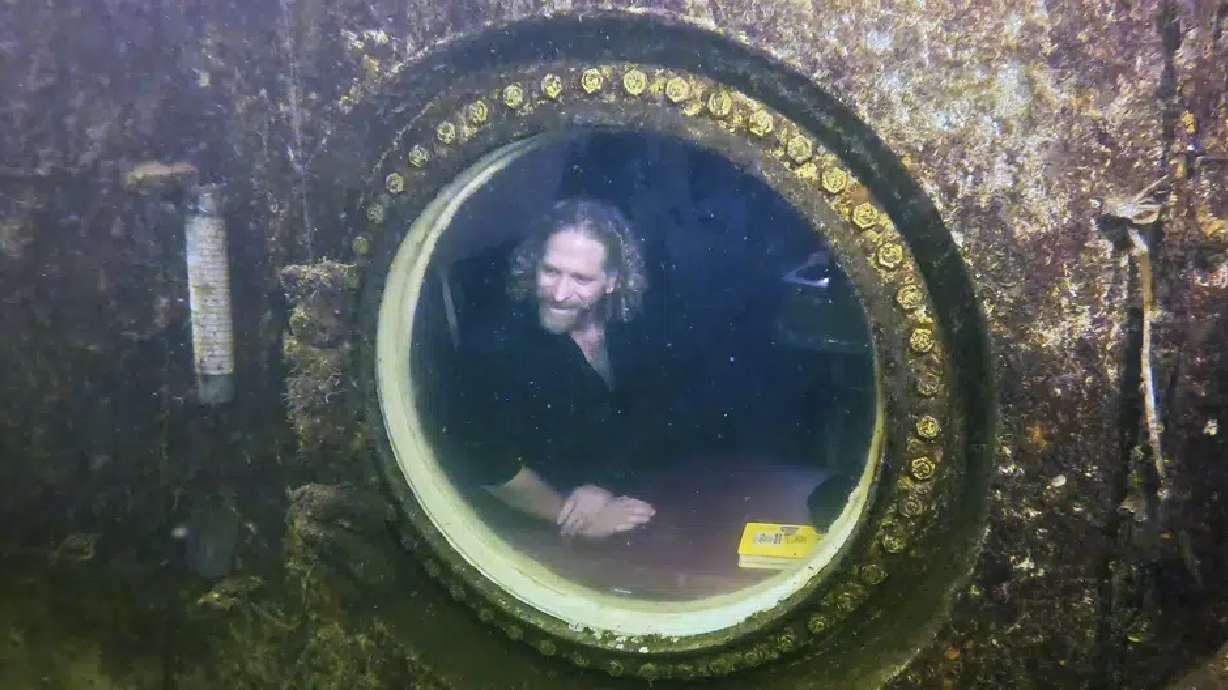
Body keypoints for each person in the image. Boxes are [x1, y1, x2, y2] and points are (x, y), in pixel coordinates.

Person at [447, 198, 675, 540]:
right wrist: (573, 519)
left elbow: (654, 409)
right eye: (550, 271)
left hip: (625, 493)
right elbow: (487, 464)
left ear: (612, 281)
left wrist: (603, 483)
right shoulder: (494, 346)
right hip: (526, 527)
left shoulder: (632, 325)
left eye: (582, 279)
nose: (559, 293)